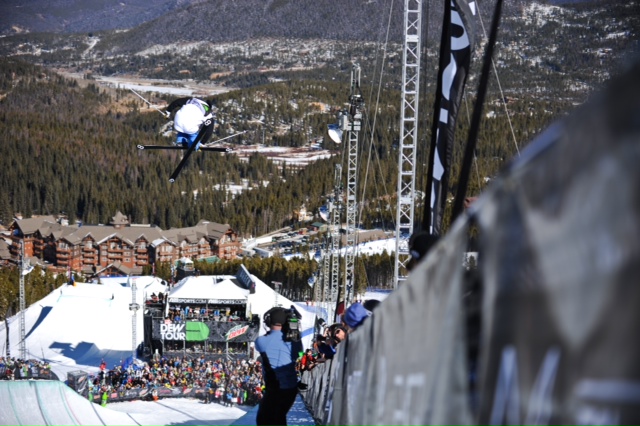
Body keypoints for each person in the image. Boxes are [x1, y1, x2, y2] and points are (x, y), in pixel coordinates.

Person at [255, 307, 304, 426]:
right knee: (279, 418)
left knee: (264, 420)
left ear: (268, 321)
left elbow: (263, 347)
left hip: (275, 389)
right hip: (290, 390)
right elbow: (299, 353)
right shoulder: (295, 342)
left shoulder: (261, 341)